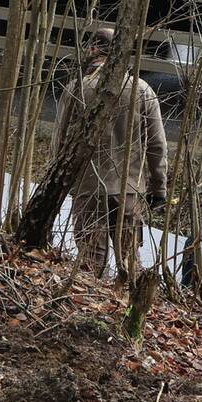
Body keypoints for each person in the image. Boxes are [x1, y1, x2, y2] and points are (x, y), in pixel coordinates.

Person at [53, 28, 168, 277]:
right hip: (129, 188)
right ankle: (129, 299)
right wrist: (159, 190)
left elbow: (60, 141)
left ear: (93, 49)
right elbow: (157, 145)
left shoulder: (77, 88)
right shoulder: (142, 90)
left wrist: (59, 185)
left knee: (90, 263)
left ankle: (89, 299)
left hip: (88, 187)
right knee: (129, 260)